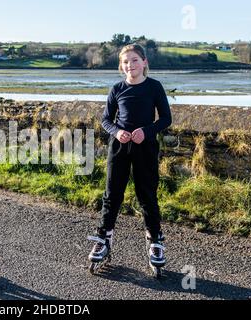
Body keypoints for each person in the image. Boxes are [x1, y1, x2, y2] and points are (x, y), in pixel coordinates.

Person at [88, 44, 172, 269]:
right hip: (119, 147)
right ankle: (103, 238)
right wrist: (117, 131)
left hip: (145, 147)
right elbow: (106, 120)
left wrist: (146, 131)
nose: (130, 65)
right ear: (121, 66)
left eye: (134, 60)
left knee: (147, 194)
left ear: (144, 62)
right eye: (126, 62)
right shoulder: (117, 88)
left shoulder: (154, 87)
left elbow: (165, 119)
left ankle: (155, 240)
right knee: (112, 194)